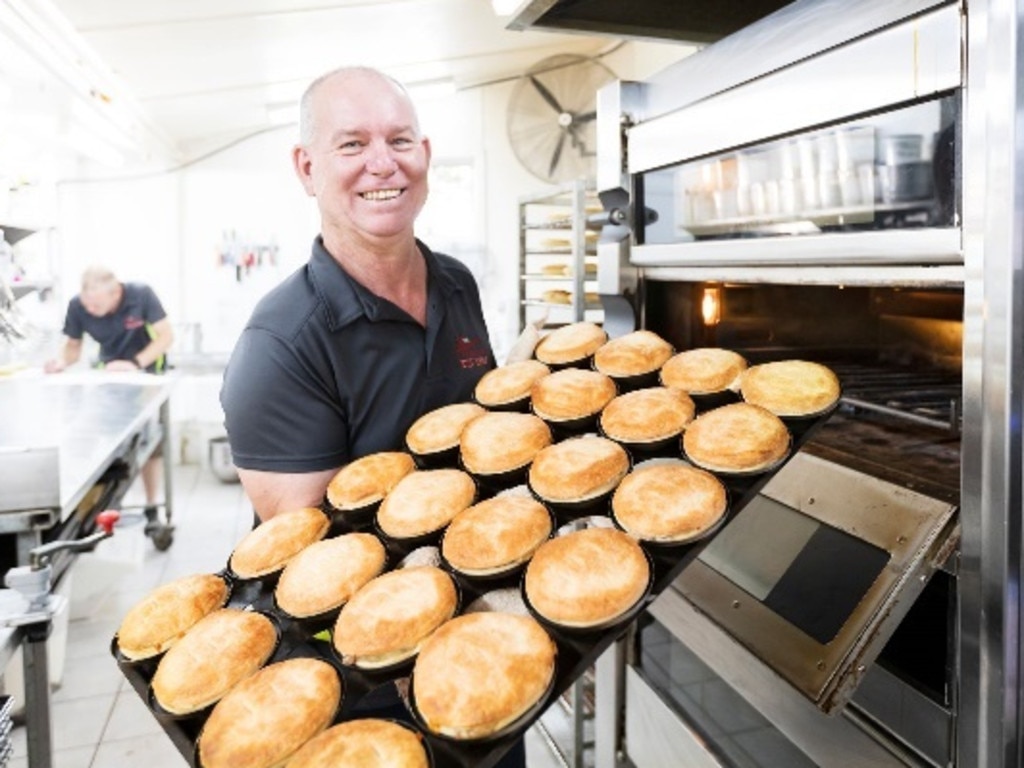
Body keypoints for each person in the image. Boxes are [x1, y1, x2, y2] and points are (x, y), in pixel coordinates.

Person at [219, 67, 526, 767]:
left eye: (400, 139)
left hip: (486, 632)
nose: (383, 164)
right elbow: (307, 564)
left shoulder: (455, 280)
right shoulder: (282, 344)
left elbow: (483, 429)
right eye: (351, 144)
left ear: (425, 151)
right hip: (372, 682)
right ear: (307, 167)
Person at [45, 266, 175, 524]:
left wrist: (135, 363)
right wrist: (61, 362)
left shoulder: (141, 295)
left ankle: (151, 506)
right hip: (109, 377)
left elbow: (166, 336)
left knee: (149, 441)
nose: (90, 311)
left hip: (146, 373)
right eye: (87, 306)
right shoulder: (78, 305)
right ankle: (94, 509)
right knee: (100, 437)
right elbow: (73, 347)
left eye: (96, 306)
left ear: (115, 293)